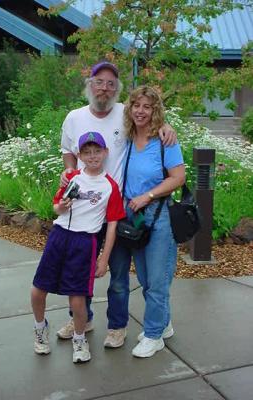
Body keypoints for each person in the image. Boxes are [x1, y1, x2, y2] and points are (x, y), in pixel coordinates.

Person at [57, 61, 177, 348]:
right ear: (90, 84)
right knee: (79, 271)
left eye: (111, 83)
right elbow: (67, 151)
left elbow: (149, 115)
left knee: (119, 275)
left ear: (117, 89)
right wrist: (69, 171)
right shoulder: (74, 117)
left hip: (118, 211)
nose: (105, 88)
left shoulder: (125, 112)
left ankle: (117, 326)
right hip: (83, 211)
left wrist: (167, 126)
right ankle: (81, 320)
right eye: (99, 81)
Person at [31, 131, 125, 363]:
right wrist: (61, 206)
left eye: (97, 151)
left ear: (106, 152)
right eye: (87, 152)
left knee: (77, 298)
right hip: (59, 236)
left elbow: (112, 225)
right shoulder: (71, 177)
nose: (92, 156)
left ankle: (80, 340)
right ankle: (40, 330)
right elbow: (56, 207)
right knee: (38, 290)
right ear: (79, 154)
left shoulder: (110, 186)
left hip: (85, 241)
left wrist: (104, 258)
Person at [122, 85, 185, 358]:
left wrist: (148, 196)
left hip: (158, 215)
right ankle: (163, 323)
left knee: (158, 280)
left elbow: (178, 177)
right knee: (146, 278)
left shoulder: (165, 141)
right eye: (137, 105)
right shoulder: (125, 138)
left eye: (147, 106)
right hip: (133, 217)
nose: (141, 111)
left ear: (155, 110)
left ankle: (153, 335)